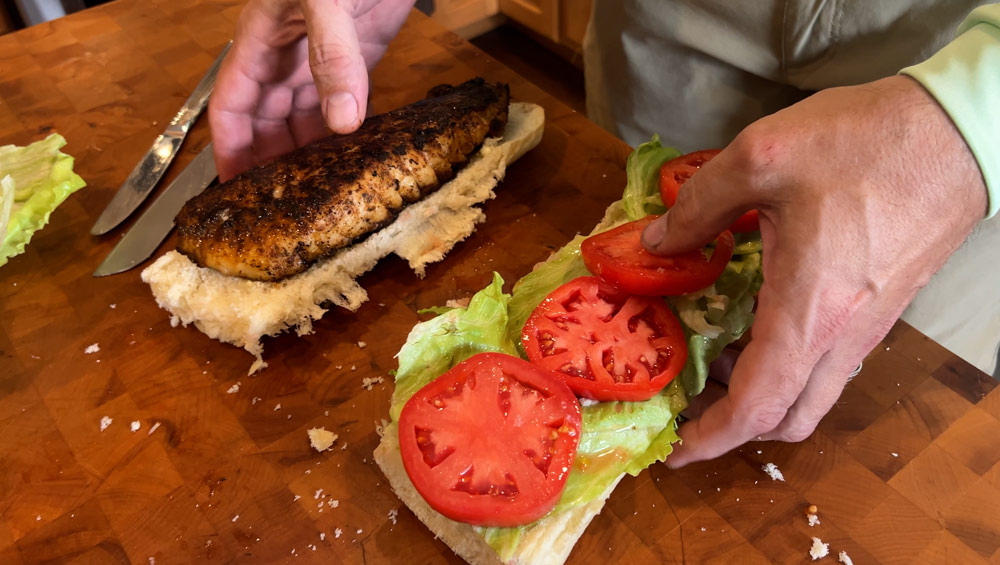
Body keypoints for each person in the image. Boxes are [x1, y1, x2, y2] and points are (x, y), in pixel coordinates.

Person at [207, 0, 1000, 468]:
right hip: (674, 22)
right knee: (641, 212)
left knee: (889, 400)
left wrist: (969, 120)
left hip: (951, 47)